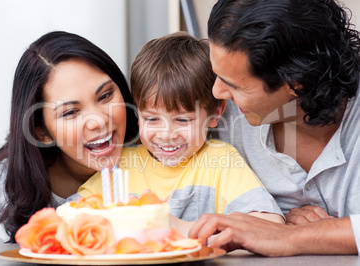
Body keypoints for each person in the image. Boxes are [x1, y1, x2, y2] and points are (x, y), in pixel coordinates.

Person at [188, 0, 360, 256]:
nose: (217, 92)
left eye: (234, 85)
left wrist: (293, 237)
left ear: (296, 83)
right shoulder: (221, 114)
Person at [76, 32, 284, 235]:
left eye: (182, 120)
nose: (166, 134)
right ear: (137, 114)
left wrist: (179, 227)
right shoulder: (119, 166)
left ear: (215, 114)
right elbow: (69, 219)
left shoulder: (221, 161)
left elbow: (271, 225)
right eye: (152, 119)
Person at [0, 31, 139, 243]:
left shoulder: (160, 156)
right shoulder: (3, 186)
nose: (98, 121)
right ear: (41, 132)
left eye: (106, 95)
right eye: (70, 112)